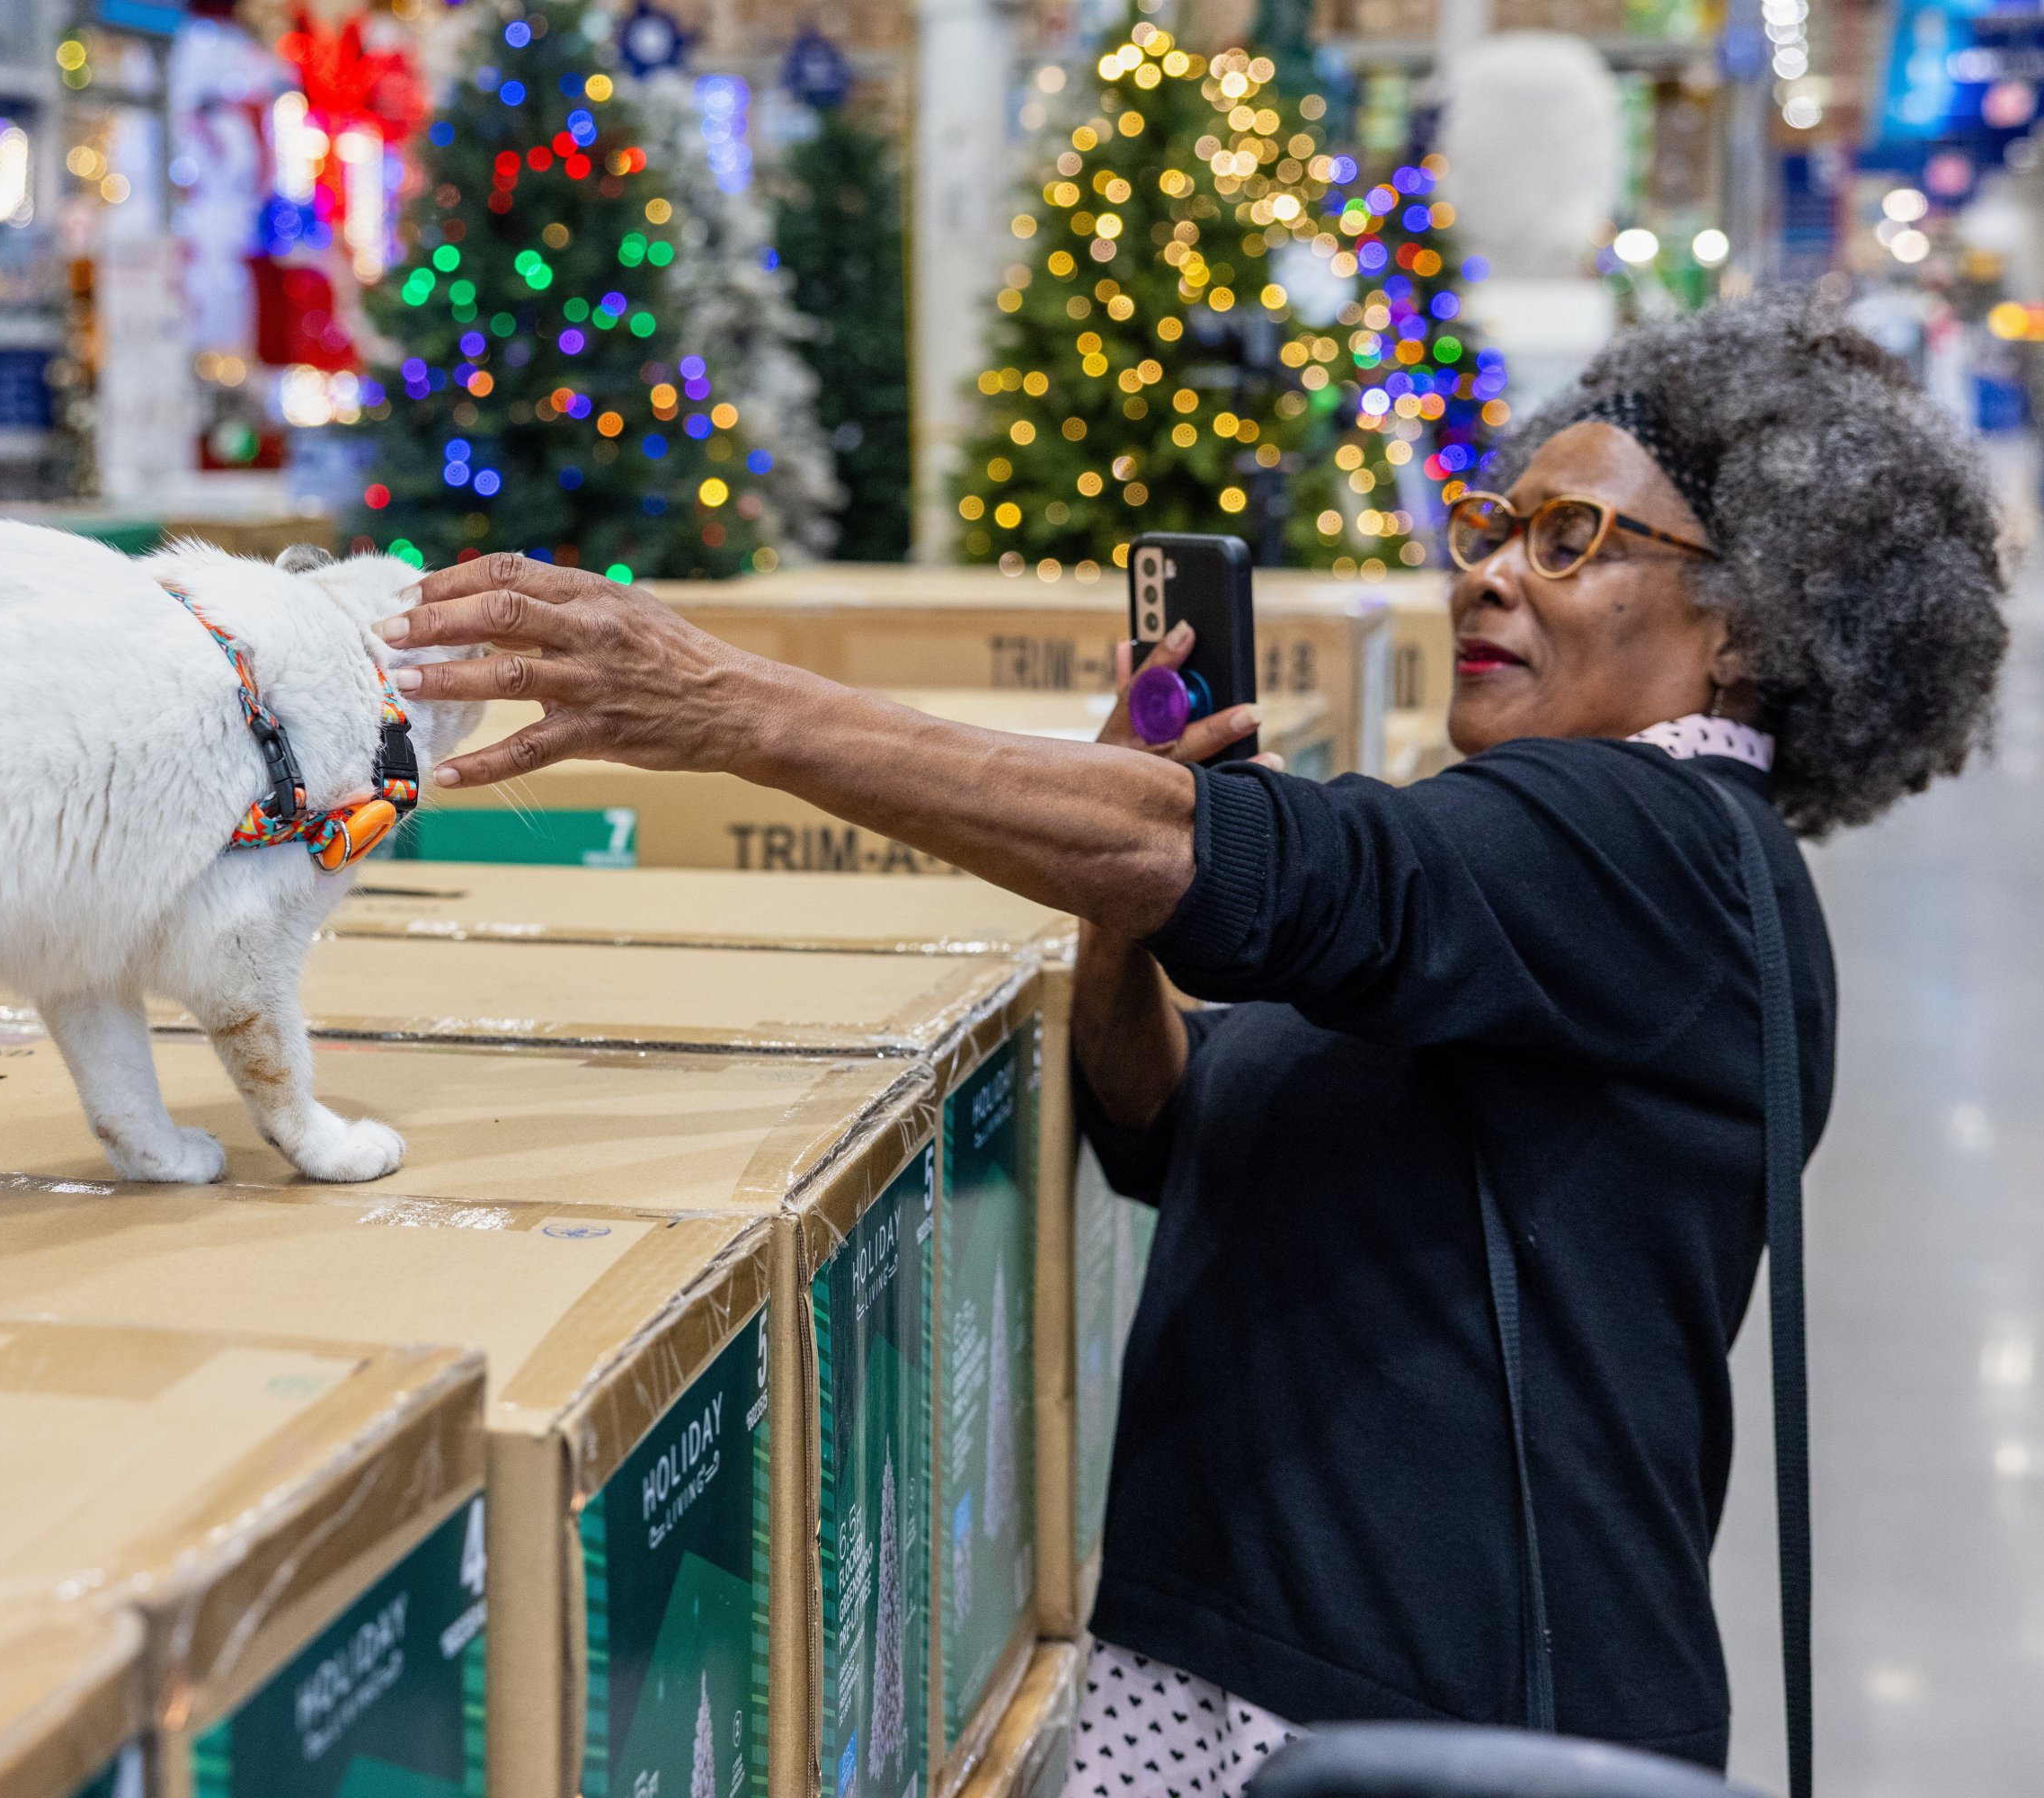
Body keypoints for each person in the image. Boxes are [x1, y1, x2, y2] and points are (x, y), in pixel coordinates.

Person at [373, 293, 2009, 1790]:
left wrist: (734, 711)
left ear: (1746, 624)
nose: (1489, 572)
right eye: (1495, 526)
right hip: (1253, 1665)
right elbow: (1172, 1117)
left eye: (1573, 538)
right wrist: (1115, 888)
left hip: (1441, 1717)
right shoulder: (1547, 863)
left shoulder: (1655, 842)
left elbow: (1274, 873)